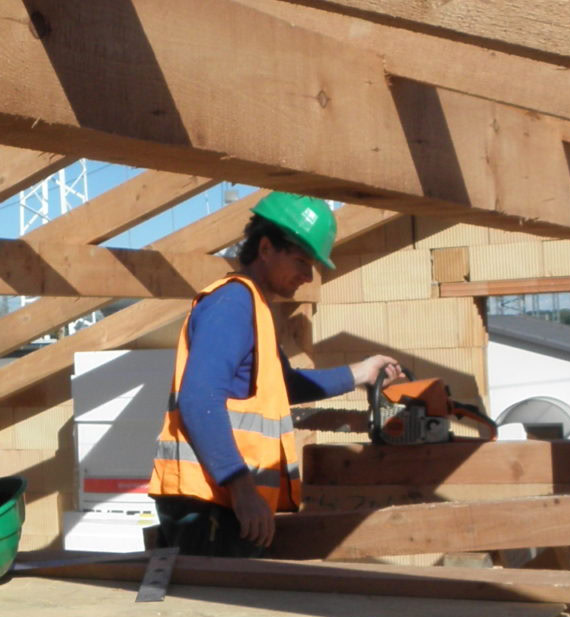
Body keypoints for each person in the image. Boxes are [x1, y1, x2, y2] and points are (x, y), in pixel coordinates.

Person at [147, 193, 405, 556]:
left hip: (221, 499)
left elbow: (283, 386)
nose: (308, 276)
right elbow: (198, 398)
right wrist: (241, 488)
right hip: (210, 502)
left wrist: (361, 372)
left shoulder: (253, 307)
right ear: (265, 248)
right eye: (301, 261)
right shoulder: (232, 304)